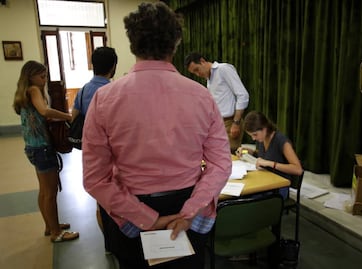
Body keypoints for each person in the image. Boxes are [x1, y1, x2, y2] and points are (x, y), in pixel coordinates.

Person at [82, 2, 232, 269]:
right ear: (176, 43)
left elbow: (95, 178)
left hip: (130, 208)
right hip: (188, 206)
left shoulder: (104, 99)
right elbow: (221, 164)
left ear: (131, 43)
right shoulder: (202, 96)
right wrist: (188, 212)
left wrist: (147, 217)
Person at [12, 60, 79, 243]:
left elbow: (36, 116)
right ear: (30, 76)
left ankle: (50, 226)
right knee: (50, 193)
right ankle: (57, 233)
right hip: (42, 148)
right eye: (42, 76)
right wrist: (67, 116)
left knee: (43, 191)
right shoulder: (34, 89)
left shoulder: (24, 94)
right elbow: (44, 111)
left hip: (32, 147)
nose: (44, 80)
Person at [71, 46, 118, 254]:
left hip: (92, 155)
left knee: (100, 200)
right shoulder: (114, 91)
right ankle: (119, 239)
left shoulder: (83, 90)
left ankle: (108, 243)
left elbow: (74, 117)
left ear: (93, 65)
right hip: (115, 154)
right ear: (114, 67)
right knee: (116, 196)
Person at [184, 52, 249, 153]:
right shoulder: (209, 79)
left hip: (230, 121)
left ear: (202, 61)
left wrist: (236, 122)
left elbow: (242, 95)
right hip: (218, 123)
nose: (198, 74)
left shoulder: (223, 69)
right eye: (194, 73)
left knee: (229, 157)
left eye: (197, 69)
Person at [236, 111, 303, 198]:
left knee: (247, 198)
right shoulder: (262, 138)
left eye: (255, 135)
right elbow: (260, 154)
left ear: (264, 128)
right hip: (265, 181)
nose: (253, 138)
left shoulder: (281, 141)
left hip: (278, 188)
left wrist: (270, 163)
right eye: (251, 136)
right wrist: (246, 151)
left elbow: (298, 170)